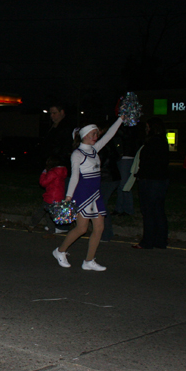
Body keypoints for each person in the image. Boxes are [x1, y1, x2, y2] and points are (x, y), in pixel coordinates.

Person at [52, 116, 123, 271]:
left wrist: (121, 119)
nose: (96, 137)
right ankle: (60, 251)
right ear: (84, 135)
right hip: (83, 194)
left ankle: (89, 261)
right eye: (93, 134)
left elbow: (110, 134)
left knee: (99, 228)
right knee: (82, 229)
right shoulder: (77, 154)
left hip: (95, 194)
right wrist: (69, 197)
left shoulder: (94, 149)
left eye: (96, 134)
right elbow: (75, 176)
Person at [132, 117, 170, 249]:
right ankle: (160, 240)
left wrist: (140, 175)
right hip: (160, 180)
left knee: (148, 211)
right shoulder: (162, 142)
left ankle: (147, 241)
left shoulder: (152, 142)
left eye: (148, 127)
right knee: (158, 211)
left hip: (150, 181)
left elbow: (148, 163)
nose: (146, 130)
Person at [27, 155, 67, 233]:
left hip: (51, 197)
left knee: (41, 212)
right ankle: (51, 231)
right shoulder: (62, 171)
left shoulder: (53, 172)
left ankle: (31, 225)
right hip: (59, 196)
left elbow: (43, 183)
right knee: (49, 215)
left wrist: (44, 173)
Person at [96, 120, 121, 242]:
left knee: (102, 205)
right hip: (109, 177)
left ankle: (106, 233)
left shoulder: (103, 144)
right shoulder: (106, 143)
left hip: (107, 178)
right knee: (101, 205)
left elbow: (100, 161)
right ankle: (105, 233)